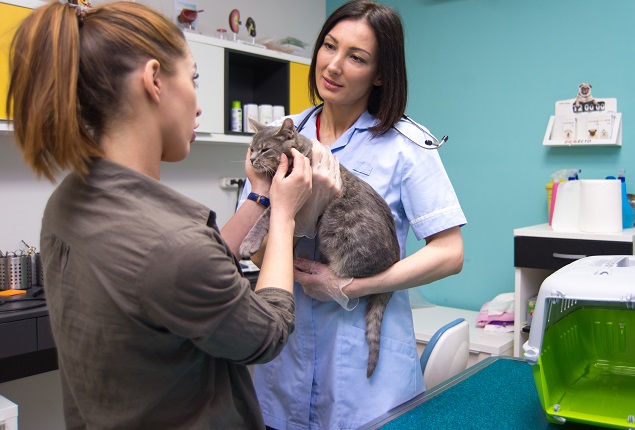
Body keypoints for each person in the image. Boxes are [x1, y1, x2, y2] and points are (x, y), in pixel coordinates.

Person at [6, 1, 337, 428]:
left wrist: (260, 195)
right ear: (155, 80)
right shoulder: (172, 241)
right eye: (194, 79)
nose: (199, 106)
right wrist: (287, 215)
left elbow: (200, 263)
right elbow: (268, 332)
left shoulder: (68, 201)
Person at [239, 1, 467, 428]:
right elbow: (252, 248)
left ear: (380, 74)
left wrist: (350, 285)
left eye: (356, 57)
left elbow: (450, 253)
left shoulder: (407, 145)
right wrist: (292, 224)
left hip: (365, 379)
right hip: (283, 370)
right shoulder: (283, 137)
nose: (334, 65)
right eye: (329, 46)